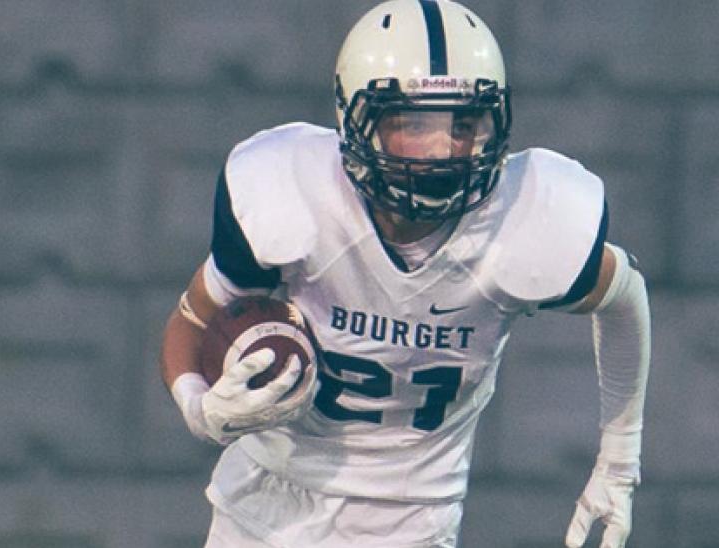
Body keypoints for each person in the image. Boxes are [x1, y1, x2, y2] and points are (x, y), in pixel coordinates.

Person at [159, 1, 651, 546]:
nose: (442, 148)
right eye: (413, 123)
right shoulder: (293, 193)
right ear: (354, 120)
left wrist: (618, 462)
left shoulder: (525, 221)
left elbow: (625, 295)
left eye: (463, 123)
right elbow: (190, 322)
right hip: (261, 504)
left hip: (413, 521)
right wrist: (200, 410)